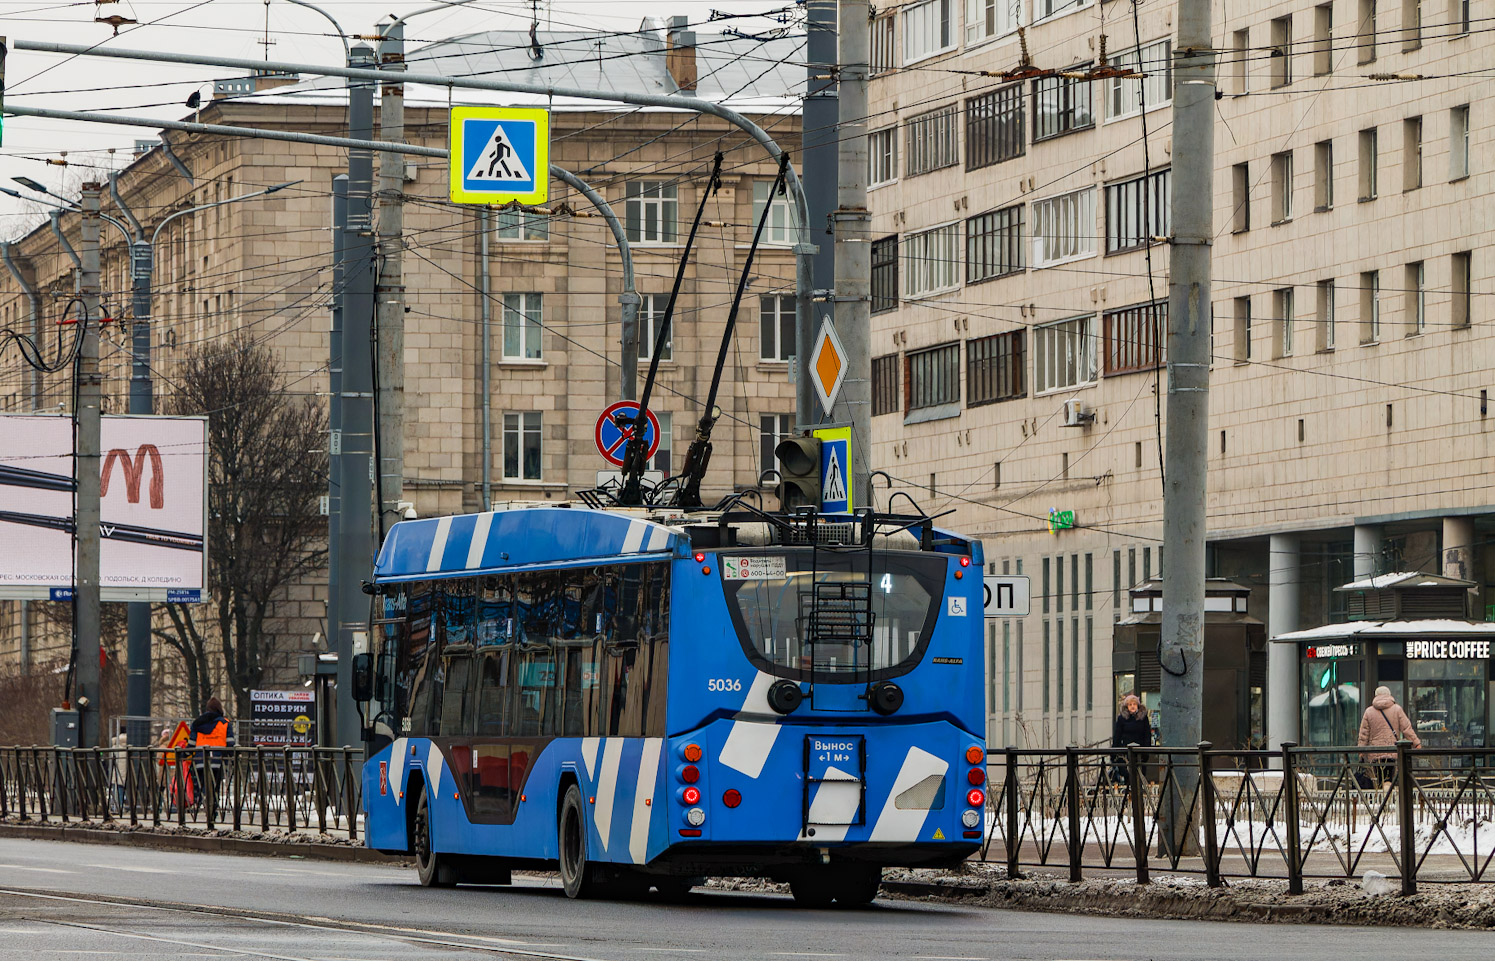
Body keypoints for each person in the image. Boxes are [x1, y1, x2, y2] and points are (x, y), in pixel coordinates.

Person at [1357, 686, 1421, 786]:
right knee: (1389, 778)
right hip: (1392, 751)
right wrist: (1416, 743)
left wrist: (1361, 750)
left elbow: (1364, 734)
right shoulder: (1397, 709)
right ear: (1389, 695)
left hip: (1375, 753)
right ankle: (1388, 791)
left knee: (1379, 779)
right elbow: (1406, 729)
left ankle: (1382, 793)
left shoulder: (1369, 712)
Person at [189, 697, 236, 817]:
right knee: (215, 785)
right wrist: (232, 756)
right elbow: (230, 743)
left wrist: (186, 754)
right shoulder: (225, 723)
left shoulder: (197, 723)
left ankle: (203, 799)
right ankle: (213, 806)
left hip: (200, 760)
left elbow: (192, 743)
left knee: (202, 782)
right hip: (217, 761)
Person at [1110, 694, 1152, 784]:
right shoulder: (1121, 719)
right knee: (1128, 777)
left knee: (1140, 777)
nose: (1132, 706)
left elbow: (1147, 735)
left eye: (1134, 704)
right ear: (1126, 707)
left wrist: (1146, 751)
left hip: (1140, 752)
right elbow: (1117, 736)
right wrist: (1114, 753)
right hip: (1126, 753)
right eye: (1130, 704)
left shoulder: (1143, 718)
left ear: (1138, 705)